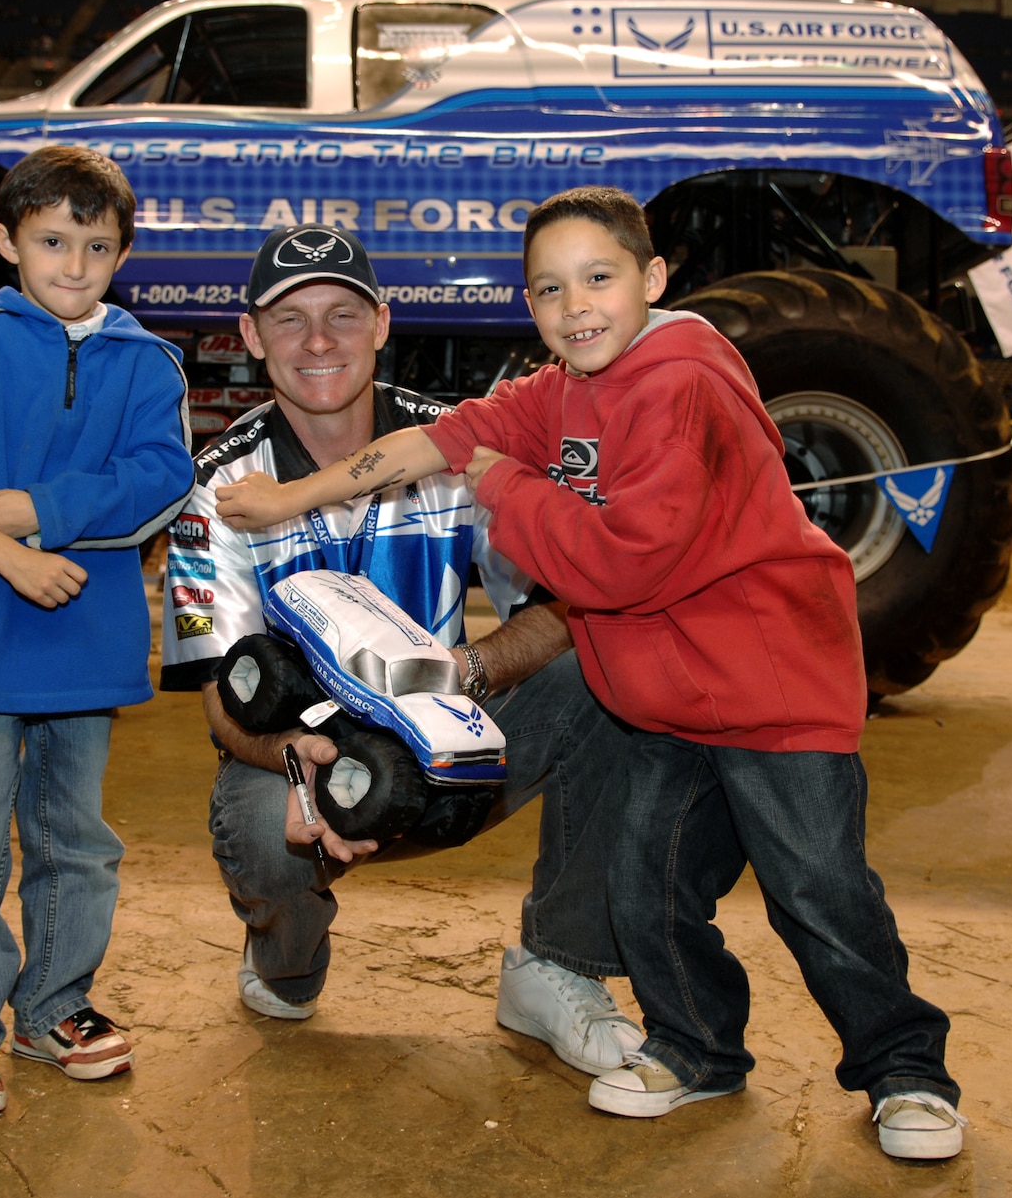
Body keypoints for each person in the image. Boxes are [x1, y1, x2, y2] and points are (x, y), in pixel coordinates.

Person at [215, 188, 964, 1163]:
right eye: (548, 288)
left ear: (651, 281)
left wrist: (500, 480)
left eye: (598, 280)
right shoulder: (564, 386)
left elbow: (621, 562)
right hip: (660, 702)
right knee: (648, 888)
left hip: (771, 700)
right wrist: (288, 501)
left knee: (816, 894)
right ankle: (694, 1049)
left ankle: (904, 1071)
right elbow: (430, 442)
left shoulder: (680, 384)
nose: (574, 306)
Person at [160, 224, 645, 1079]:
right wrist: (295, 754)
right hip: (310, 770)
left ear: (383, 322)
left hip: (456, 746)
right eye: (290, 319)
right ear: (249, 336)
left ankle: (556, 964)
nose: (319, 342)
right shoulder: (218, 487)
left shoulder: (459, 448)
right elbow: (221, 700)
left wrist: (470, 671)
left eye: (343, 315)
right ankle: (287, 957)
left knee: (608, 671)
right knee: (256, 826)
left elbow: (567, 602)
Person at [0, 145, 193, 1117]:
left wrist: (42, 509)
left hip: (85, 654)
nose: (72, 264)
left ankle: (55, 1005)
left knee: (76, 845)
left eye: (95, 247)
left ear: (121, 254)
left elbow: (160, 479)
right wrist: (11, 555)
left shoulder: (148, 360)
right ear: (6, 240)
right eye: (52, 240)